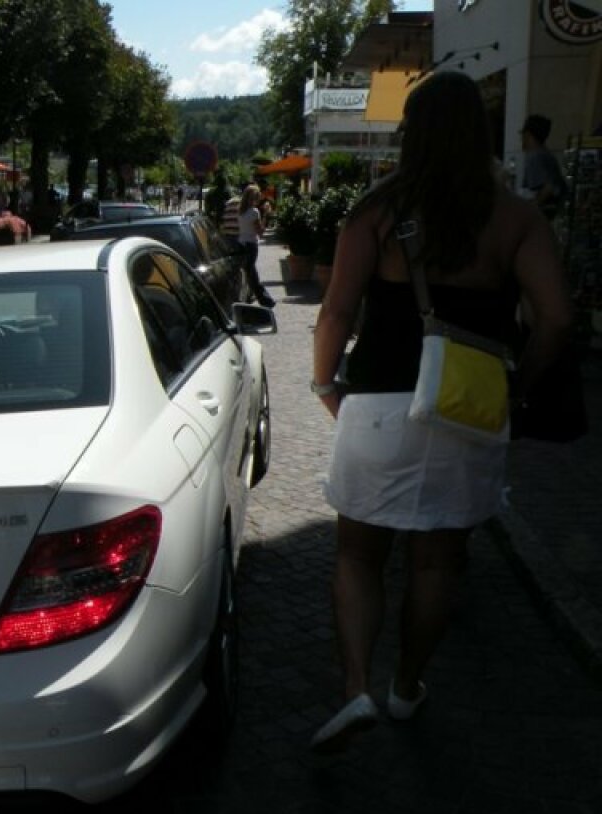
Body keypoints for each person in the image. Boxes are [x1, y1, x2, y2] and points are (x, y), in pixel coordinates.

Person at [309, 70, 571, 752]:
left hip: (377, 400)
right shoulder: (517, 216)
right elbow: (556, 319)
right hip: (467, 405)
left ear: (412, 132)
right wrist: (518, 387)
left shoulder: (375, 210)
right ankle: (407, 687)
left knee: (358, 555)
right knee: (438, 563)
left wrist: (322, 385)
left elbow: (336, 311)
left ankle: (355, 687)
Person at [519, 114, 568, 220]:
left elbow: (548, 187)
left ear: (528, 135)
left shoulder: (534, 156)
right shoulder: (545, 154)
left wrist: (530, 208)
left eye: (522, 135)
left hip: (543, 216)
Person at [236, 185, 276, 308]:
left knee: (249, 272)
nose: (258, 201)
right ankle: (265, 300)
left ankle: (254, 296)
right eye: (257, 198)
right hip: (251, 244)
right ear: (254, 198)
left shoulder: (240, 211)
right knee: (252, 273)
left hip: (241, 243)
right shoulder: (254, 212)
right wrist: (265, 216)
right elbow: (260, 232)